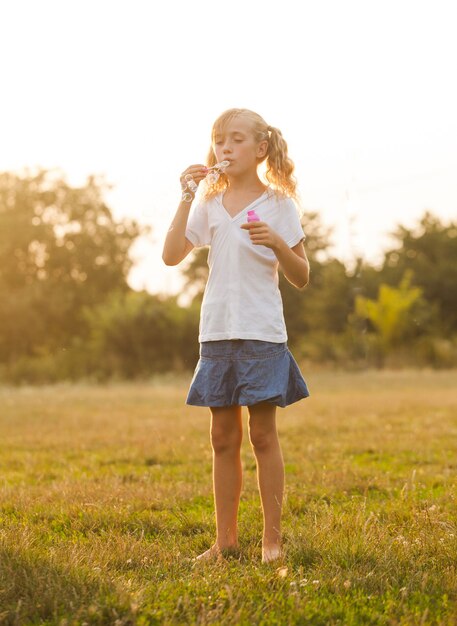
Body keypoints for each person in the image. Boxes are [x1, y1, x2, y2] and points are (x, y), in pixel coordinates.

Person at [162, 108, 310, 563]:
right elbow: (171, 257)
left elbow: (302, 276)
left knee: (262, 435)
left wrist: (279, 244)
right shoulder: (208, 201)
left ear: (261, 148)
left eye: (237, 140)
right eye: (219, 140)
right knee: (222, 438)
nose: (225, 148)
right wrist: (186, 196)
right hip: (217, 333)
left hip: (261, 333)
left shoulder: (280, 204)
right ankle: (225, 541)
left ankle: (272, 540)